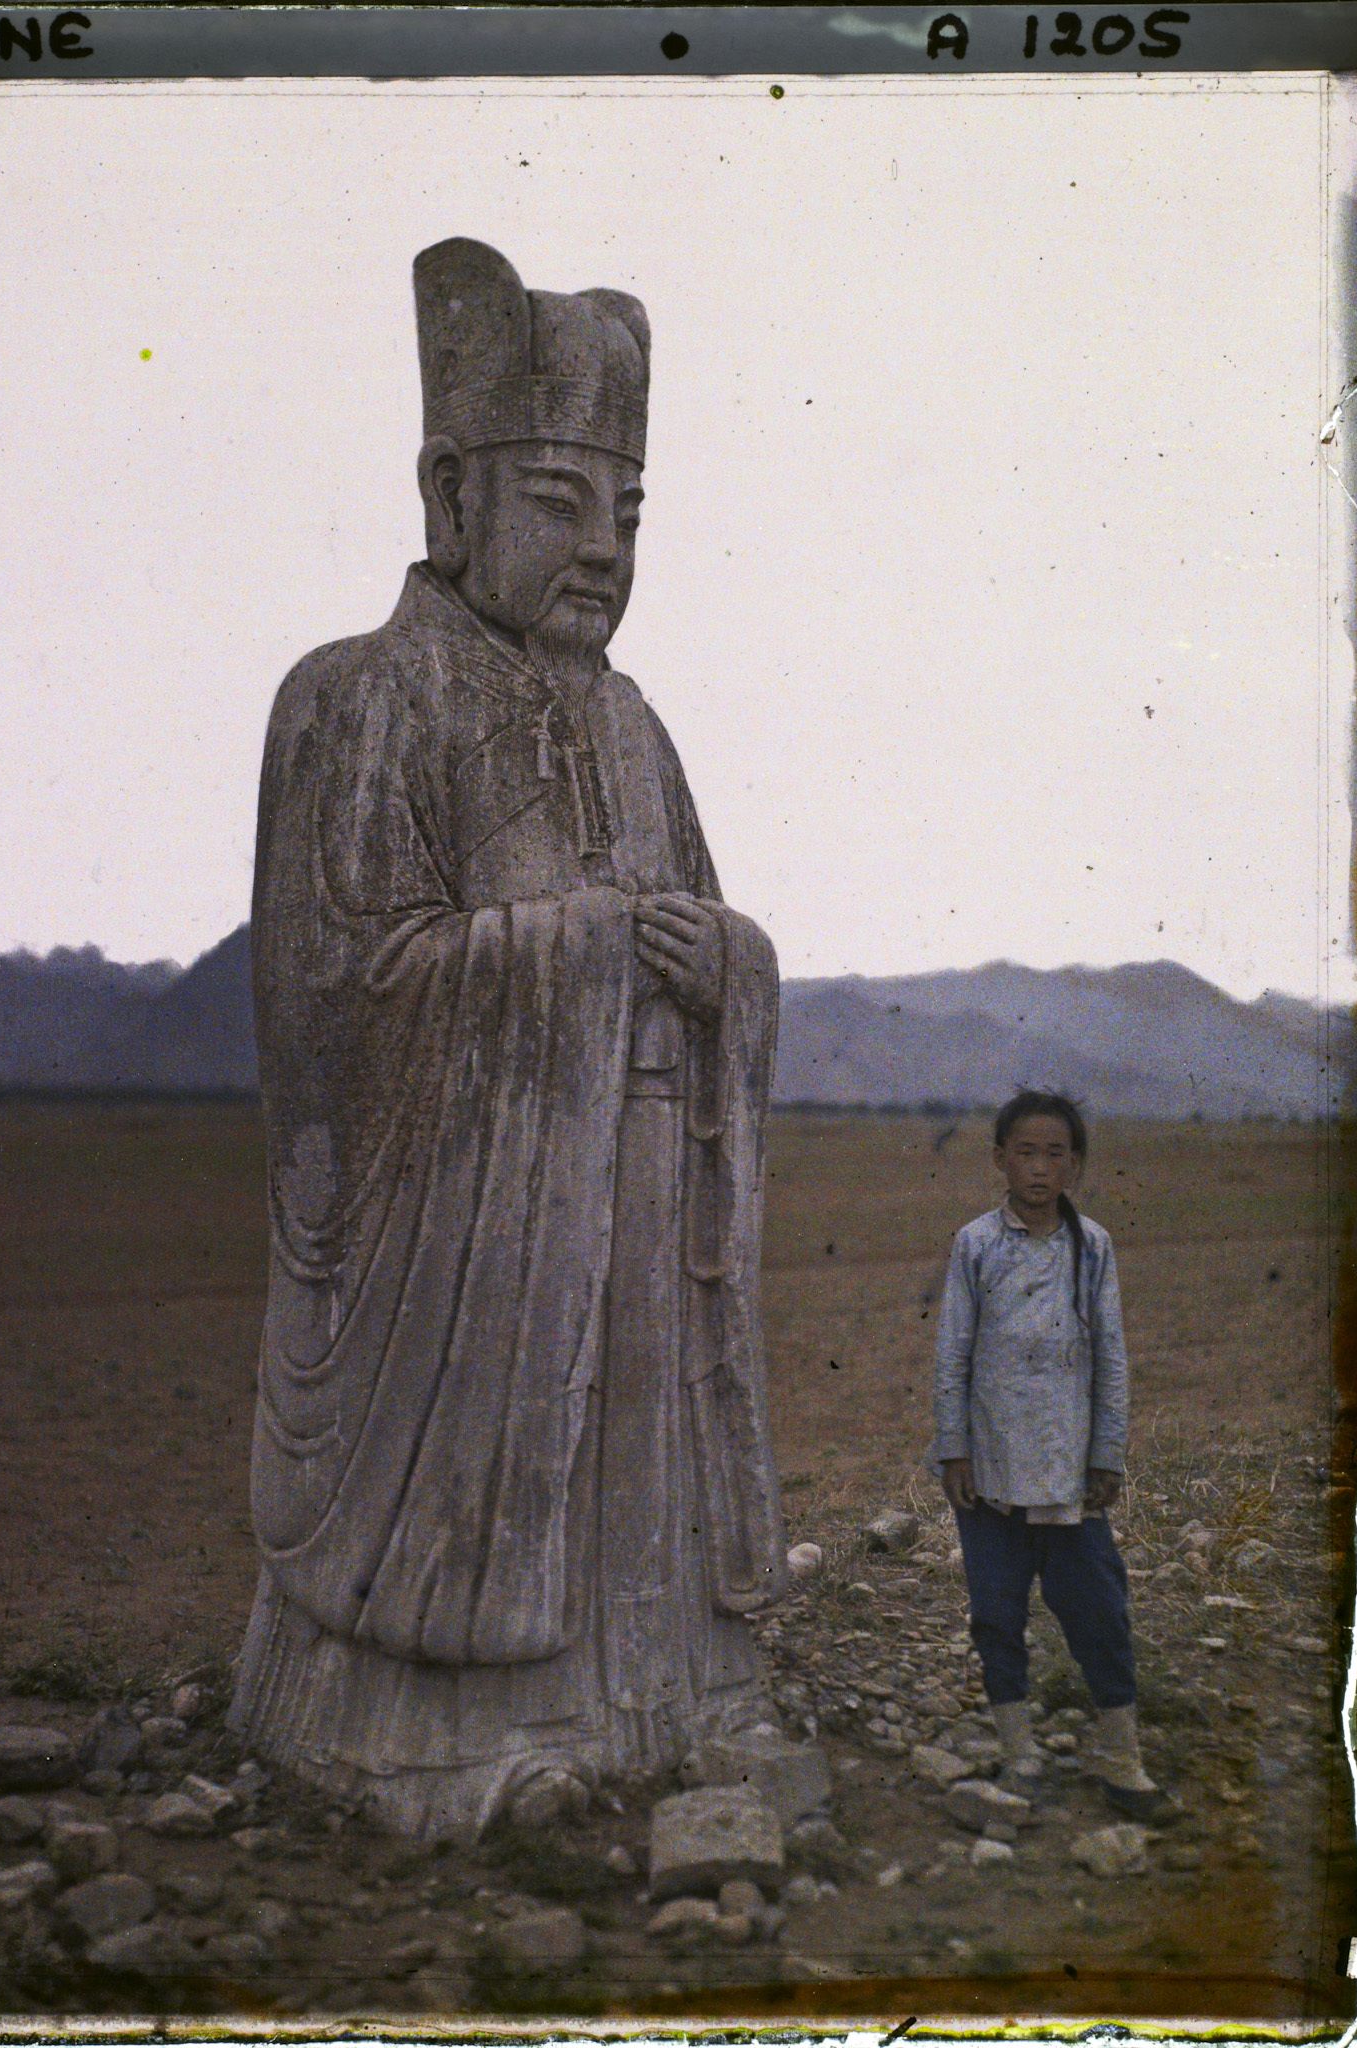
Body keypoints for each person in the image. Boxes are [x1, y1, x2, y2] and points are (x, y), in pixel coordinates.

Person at [227, 238, 788, 1840]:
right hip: (468, 1246)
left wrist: (717, 965)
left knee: (630, 1474)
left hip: (627, 1204)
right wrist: (592, 951)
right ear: (447, 495)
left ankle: (660, 1696)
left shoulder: (632, 723)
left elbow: (715, 940)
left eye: (624, 512)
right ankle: (445, 1728)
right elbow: (339, 996)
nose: (602, 547)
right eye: (558, 502)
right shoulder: (358, 701)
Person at [931, 1089, 1163, 1819]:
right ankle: (1019, 1751)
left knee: (1097, 1607)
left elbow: (1111, 1357)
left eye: (1053, 1153)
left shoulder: (1091, 1245)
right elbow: (953, 1355)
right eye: (1024, 1152)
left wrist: (1107, 1455)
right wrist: (954, 1450)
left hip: (1067, 1470)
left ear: (1075, 1165)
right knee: (996, 1613)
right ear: (1000, 1160)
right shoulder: (975, 1244)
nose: (1038, 1168)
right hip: (992, 1469)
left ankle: (1122, 1759)